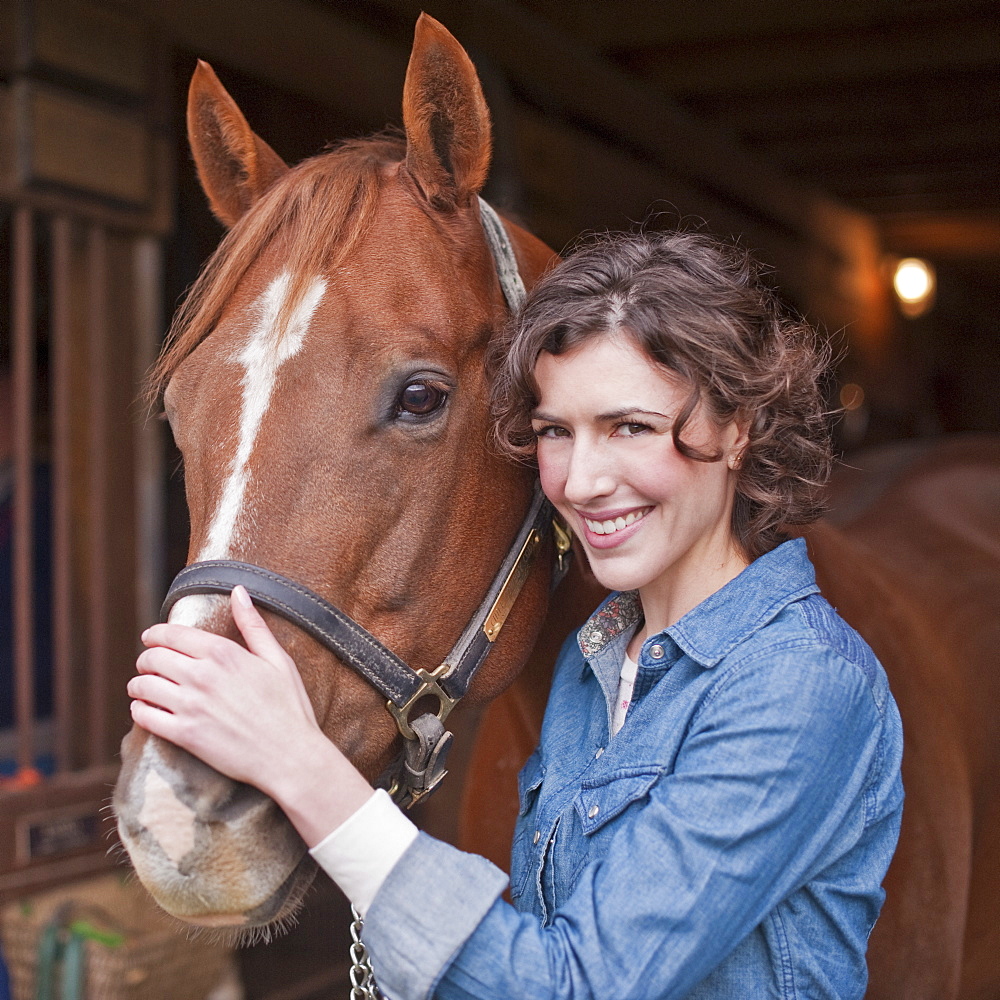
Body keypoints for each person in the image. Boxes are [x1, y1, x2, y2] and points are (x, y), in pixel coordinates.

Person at [128, 230, 904, 999]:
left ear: (736, 428)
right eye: (556, 433)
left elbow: (574, 984)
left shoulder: (802, 687)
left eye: (629, 427)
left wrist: (303, 767)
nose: (584, 480)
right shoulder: (592, 660)